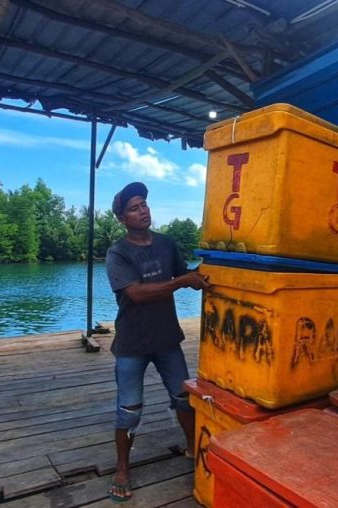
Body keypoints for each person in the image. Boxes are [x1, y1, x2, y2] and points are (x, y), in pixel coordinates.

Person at [105, 181, 209, 503]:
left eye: (144, 204)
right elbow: (136, 293)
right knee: (129, 411)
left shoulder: (166, 244)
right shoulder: (118, 252)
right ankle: (122, 467)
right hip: (132, 343)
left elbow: (185, 275)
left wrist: (206, 273)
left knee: (183, 398)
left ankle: (193, 449)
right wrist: (183, 281)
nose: (143, 210)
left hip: (167, 339)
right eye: (134, 208)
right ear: (122, 218)